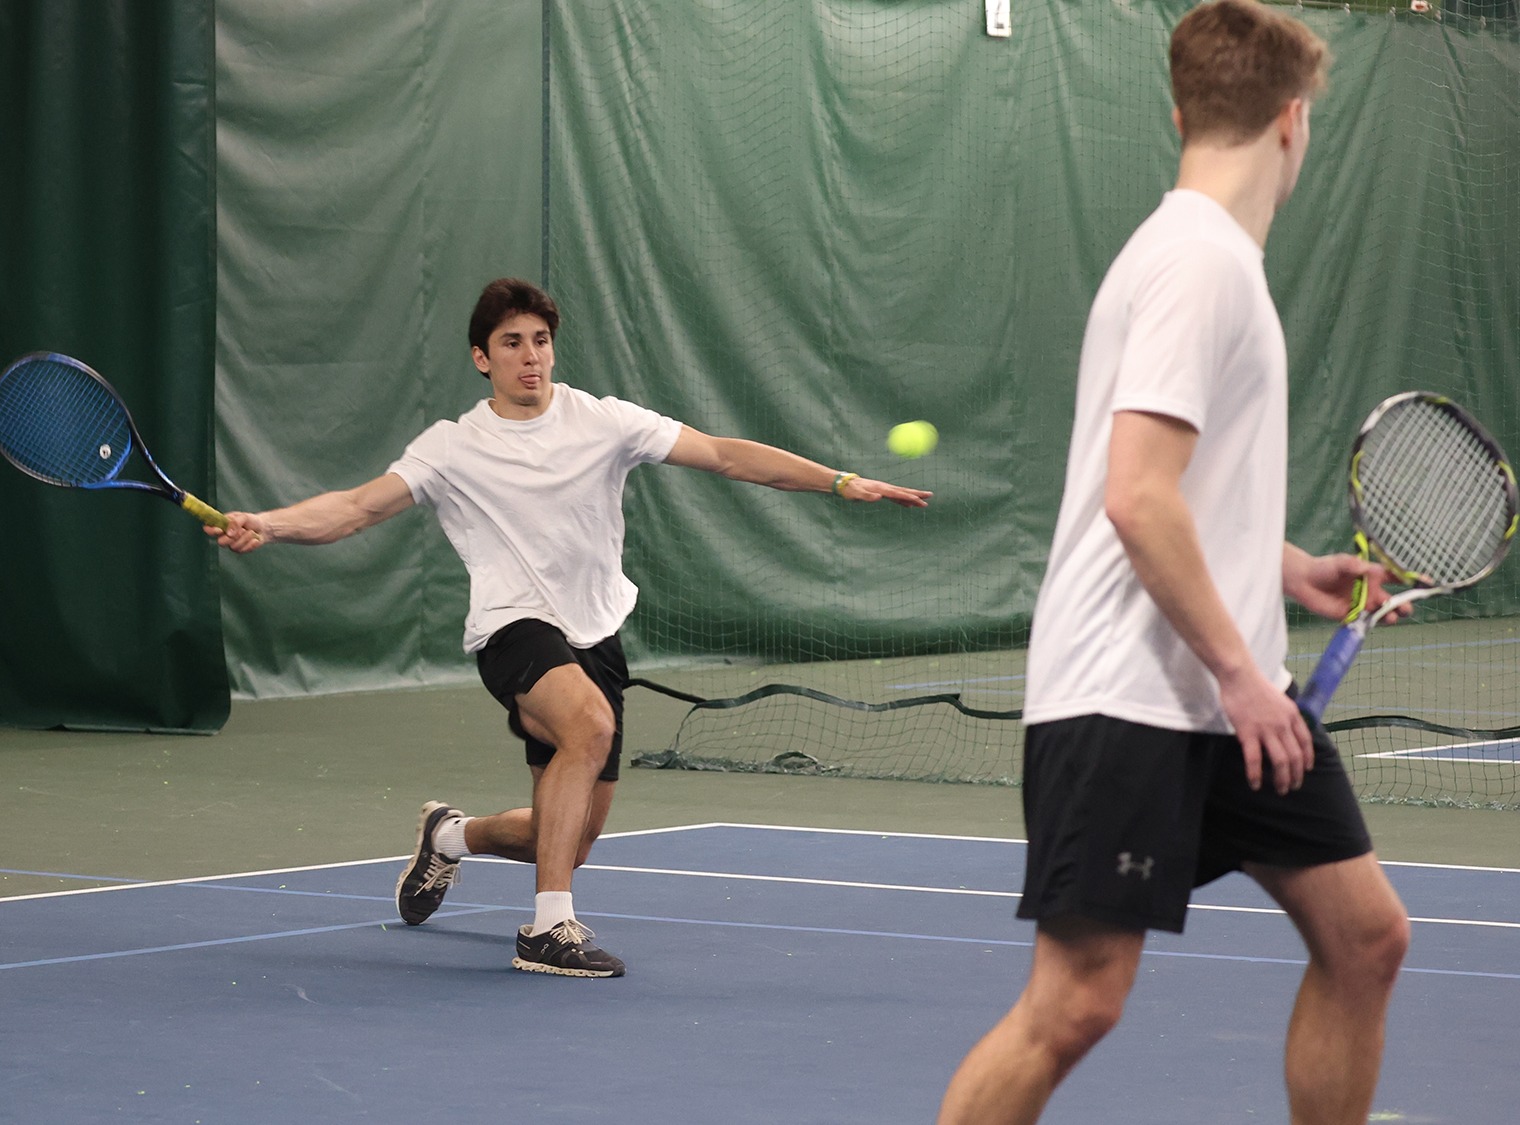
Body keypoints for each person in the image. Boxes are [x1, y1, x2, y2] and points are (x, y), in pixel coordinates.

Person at [936, 3, 1410, 1121]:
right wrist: (1244, 674)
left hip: (1219, 695)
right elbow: (1135, 497)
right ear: (1292, 123)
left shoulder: (1202, 262)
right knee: (1074, 1004)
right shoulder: (1198, 263)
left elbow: (1172, 486)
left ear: (1177, 111)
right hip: (1134, 695)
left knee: (1365, 938)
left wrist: (1282, 567)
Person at [208, 277, 930, 977]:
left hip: (596, 633)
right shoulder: (453, 446)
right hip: (512, 629)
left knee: (573, 839)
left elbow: (725, 455)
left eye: (542, 340)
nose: (531, 355)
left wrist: (839, 481)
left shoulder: (605, 421)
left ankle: (449, 835)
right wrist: (267, 525)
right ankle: (547, 928)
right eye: (512, 342)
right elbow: (358, 508)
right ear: (481, 357)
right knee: (588, 727)